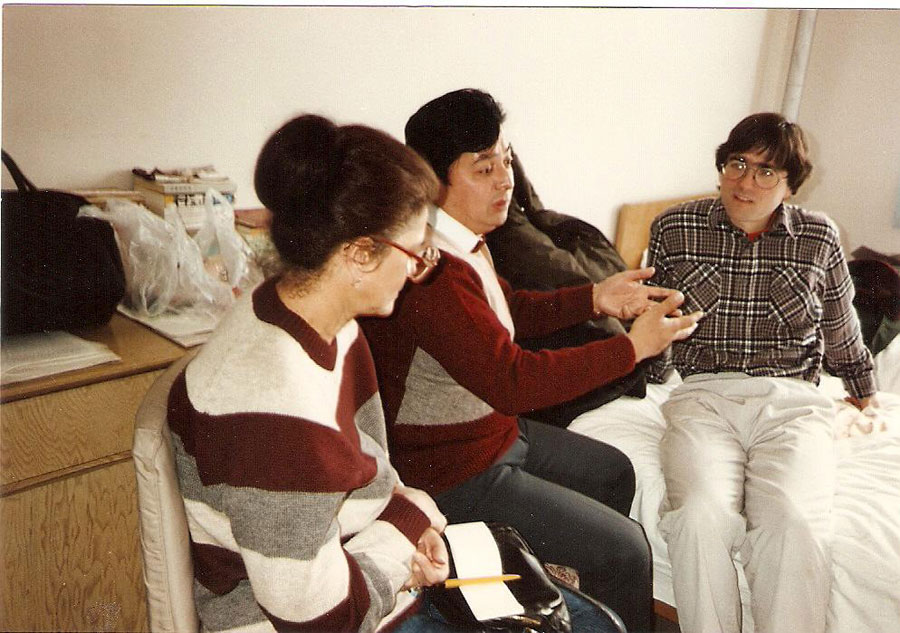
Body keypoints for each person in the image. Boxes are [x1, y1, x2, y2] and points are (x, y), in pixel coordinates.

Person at [167, 113, 623, 633]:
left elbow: (369, 461)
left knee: (589, 621)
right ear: (360, 254)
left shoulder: (321, 318)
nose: (418, 269)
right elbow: (322, 620)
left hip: (361, 561)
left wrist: (408, 514)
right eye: (416, 252)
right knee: (593, 626)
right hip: (296, 620)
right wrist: (406, 533)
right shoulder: (276, 405)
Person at [361, 88, 702, 633]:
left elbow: (509, 309)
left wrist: (596, 297)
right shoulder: (431, 271)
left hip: (493, 436)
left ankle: (572, 606)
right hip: (452, 473)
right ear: (434, 182)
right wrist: (632, 347)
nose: (506, 180)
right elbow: (513, 381)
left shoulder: (465, 242)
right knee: (626, 550)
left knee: (614, 472)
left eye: (506, 159)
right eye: (484, 168)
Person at [646, 112, 876, 633]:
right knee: (698, 518)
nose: (746, 183)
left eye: (766, 172)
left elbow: (840, 326)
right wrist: (647, 374)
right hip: (703, 398)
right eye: (737, 164)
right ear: (721, 167)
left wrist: (863, 391)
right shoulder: (674, 228)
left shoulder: (818, 237)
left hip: (793, 403)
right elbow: (655, 323)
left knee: (794, 525)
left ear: (791, 185)